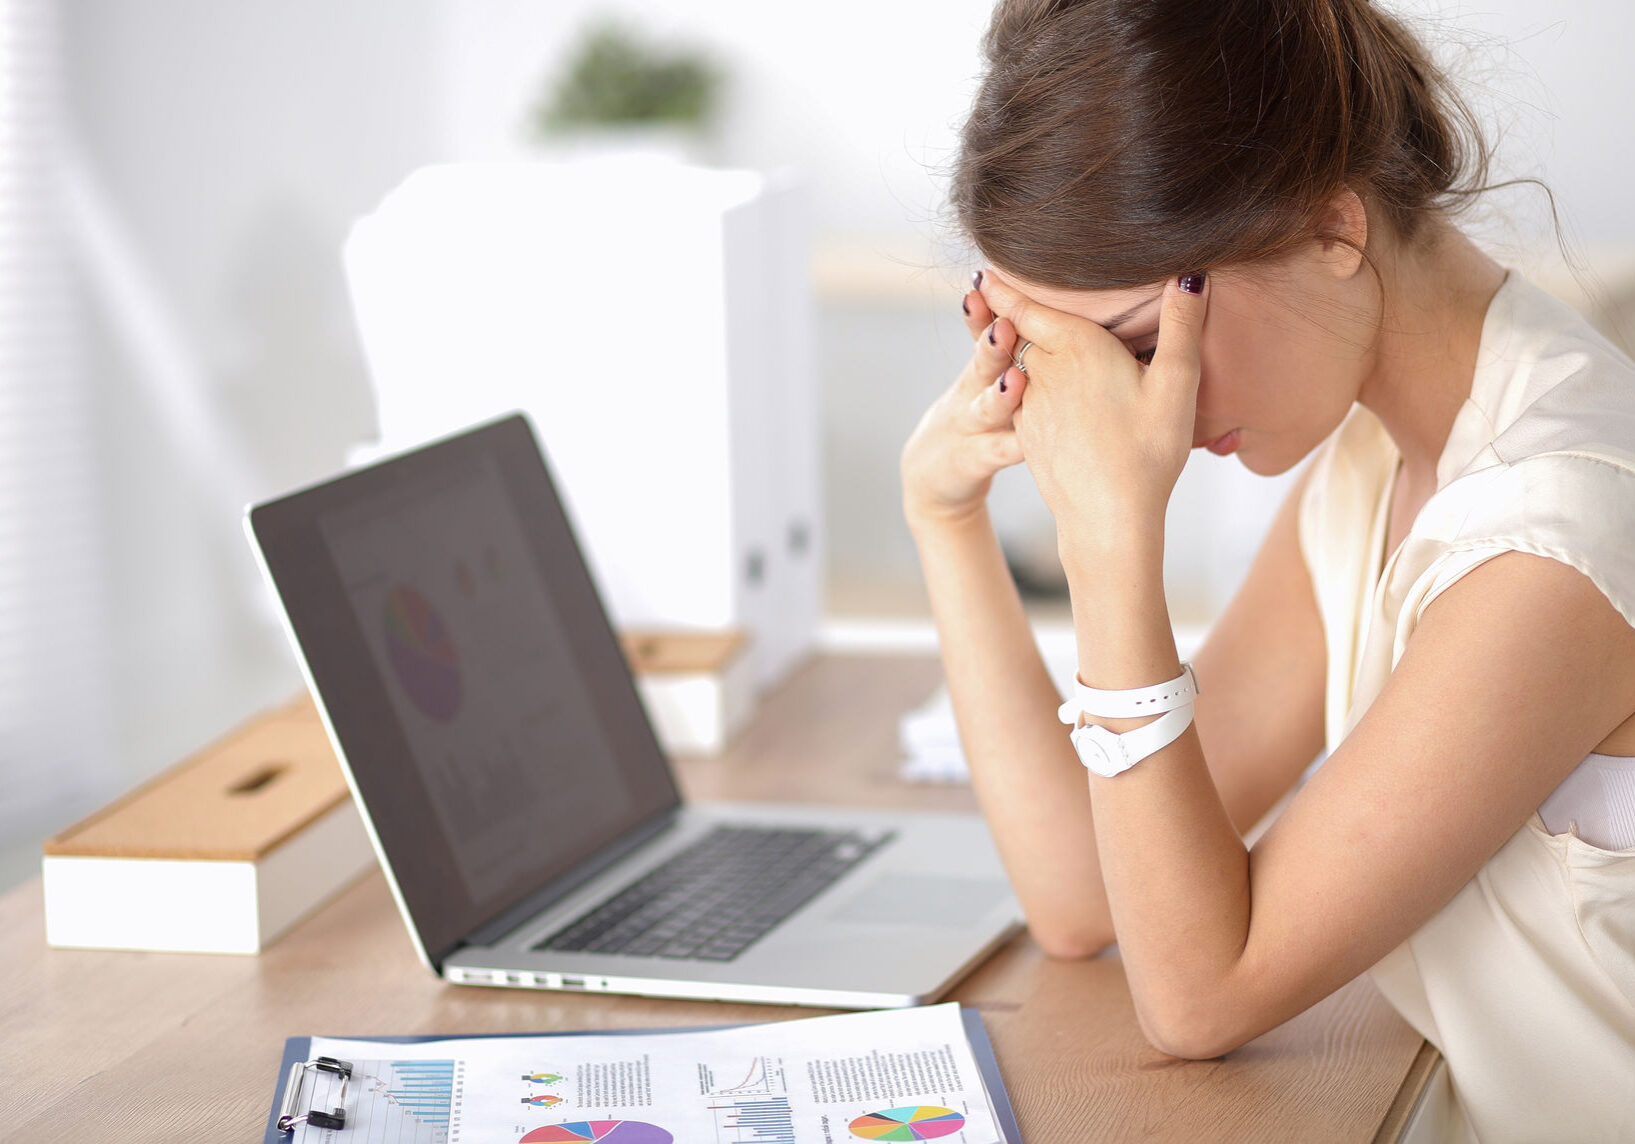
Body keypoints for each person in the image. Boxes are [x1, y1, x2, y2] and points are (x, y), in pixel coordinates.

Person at [899, 1, 1635, 1139]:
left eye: (1143, 345)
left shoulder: (1550, 537)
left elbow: (1201, 991)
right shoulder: (1381, 453)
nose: (1147, 408)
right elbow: (1086, 896)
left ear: (1332, 227)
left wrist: (1111, 544)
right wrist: (944, 513)